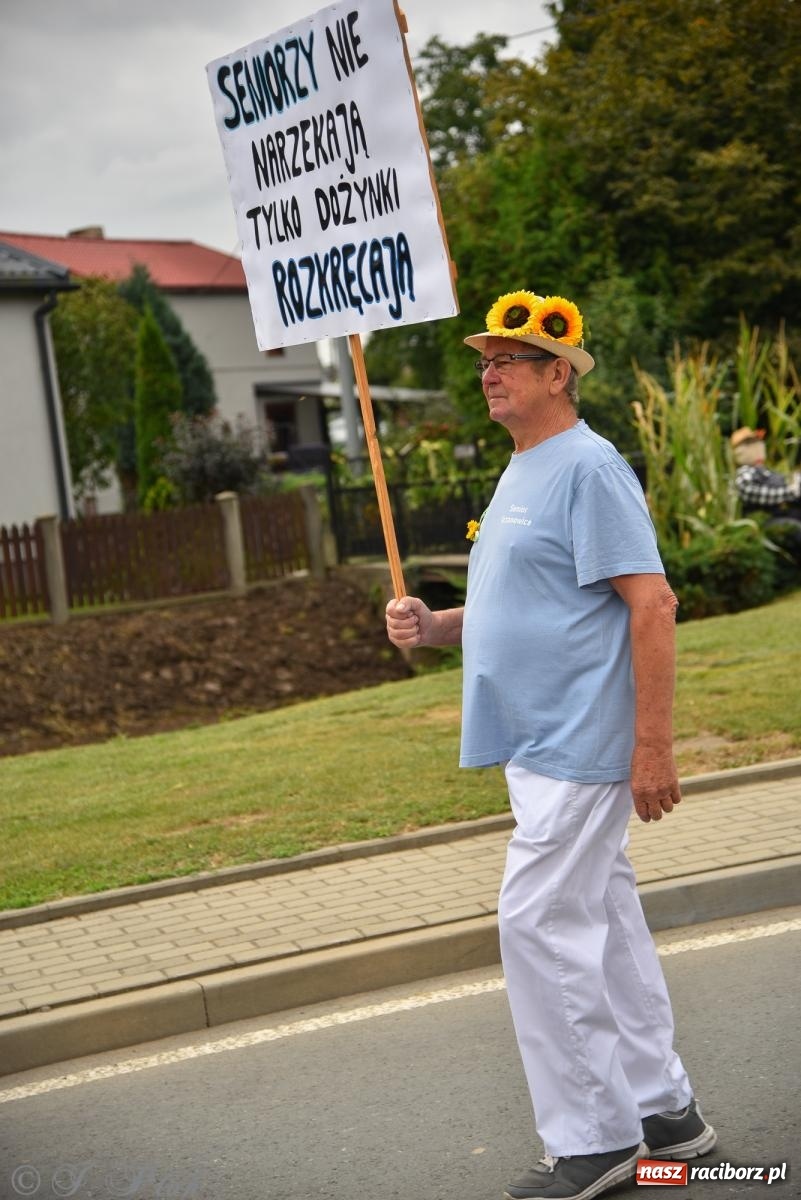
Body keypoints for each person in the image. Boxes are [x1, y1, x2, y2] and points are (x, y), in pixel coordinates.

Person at [386, 290, 717, 1200]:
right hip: (531, 744)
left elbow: (649, 603)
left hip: (581, 740)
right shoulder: (521, 468)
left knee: (534, 920)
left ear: (557, 373)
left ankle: (595, 1137)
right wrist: (435, 625)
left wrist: (652, 746)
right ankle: (664, 1113)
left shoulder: (587, 466)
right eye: (485, 359)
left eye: (508, 358)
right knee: (601, 920)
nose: (487, 372)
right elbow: (520, 606)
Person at [731, 427, 801, 550]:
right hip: (766, 521)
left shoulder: (768, 472)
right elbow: (752, 493)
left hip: (789, 514)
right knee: (795, 529)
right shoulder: (745, 473)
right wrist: (791, 492)